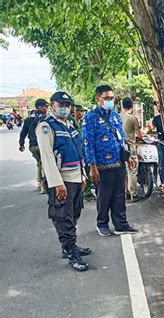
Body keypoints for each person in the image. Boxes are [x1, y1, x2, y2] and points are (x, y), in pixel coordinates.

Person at [36, 91, 91, 272]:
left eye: (68, 105)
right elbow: (47, 156)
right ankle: (70, 250)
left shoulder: (70, 124)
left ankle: (70, 244)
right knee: (63, 217)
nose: (65, 108)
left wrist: (83, 176)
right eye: (61, 104)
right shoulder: (46, 126)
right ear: (52, 104)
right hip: (62, 180)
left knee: (74, 213)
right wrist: (56, 183)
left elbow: (78, 150)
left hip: (76, 177)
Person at [82, 85, 138, 237]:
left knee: (119, 196)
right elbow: (88, 144)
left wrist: (128, 159)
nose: (109, 101)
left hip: (118, 163)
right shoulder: (90, 118)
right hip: (101, 165)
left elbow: (121, 140)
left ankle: (121, 224)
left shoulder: (114, 116)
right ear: (97, 99)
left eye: (111, 98)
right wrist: (92, 167)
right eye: (106, 98)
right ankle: (102, 223)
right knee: (104, 196)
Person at [19, 98, 49, 193]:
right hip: (41, 145)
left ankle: (40, 183)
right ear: (39, 107)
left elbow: (23, 132)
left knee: (40, 164)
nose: (47, 108)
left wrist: (21, 144)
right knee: (44, 164)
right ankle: (44, 185)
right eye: (45, 106)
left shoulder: (28, 120)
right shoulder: (44, 118)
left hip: (32, 146)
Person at [121, 97, 143, 202]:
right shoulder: (132, 118)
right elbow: (139, 134)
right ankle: (133, 193)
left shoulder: (117, 117)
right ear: (132, 106)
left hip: (119, 147)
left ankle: (125, 194)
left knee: (124, 171)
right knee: (132, 170)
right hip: (129, 147)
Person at [152, 111, 164, 186]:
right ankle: (163, 181)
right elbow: (152, 129)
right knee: (161, 163)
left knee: (161, 163)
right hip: (162, 142)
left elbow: (152, 130)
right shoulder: (156, 118)